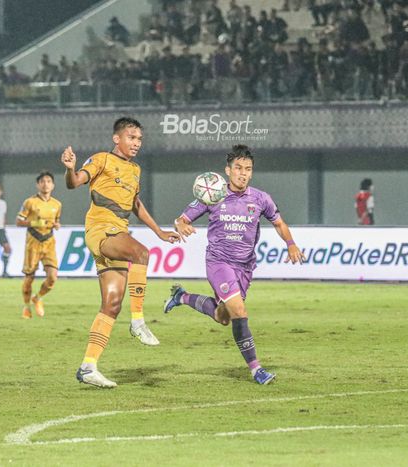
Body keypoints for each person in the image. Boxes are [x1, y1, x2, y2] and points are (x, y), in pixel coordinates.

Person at [164, 144, 306, 385]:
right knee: (239, 311)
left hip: (245, 267)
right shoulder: (213, 195)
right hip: (219, 262)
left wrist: (291, 244)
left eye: (248, 169)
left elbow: (279, 223)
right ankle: (256, 369)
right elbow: (182, 218)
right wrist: (181, 224)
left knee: (223, 316)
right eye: (238, 168)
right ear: (227, 171)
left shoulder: (261, 198)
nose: (243, 173)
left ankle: (182, 297)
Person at [60, 117, 181, 388]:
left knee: (111, 305)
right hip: (101, 230)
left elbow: (136, 204)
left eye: (139, 139)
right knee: (141, 253)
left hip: (118, 234)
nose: (136, 143)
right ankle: (138, 321)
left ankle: (88, 366)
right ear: (117, 139)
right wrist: (69, 169)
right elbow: (75, 182)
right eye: (131, 137)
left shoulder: (135, 170)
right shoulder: (101, 159)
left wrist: (159, 231)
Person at [15, 171, 62, 319]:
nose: (45, 184)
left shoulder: (57, 204)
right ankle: (26, 306)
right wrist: (36, 223)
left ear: (53, 185)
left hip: (49, 243)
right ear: (38, 184)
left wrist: (56, 225)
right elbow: (18, 222)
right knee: (29, 278)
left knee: (53, 277)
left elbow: (56, 221)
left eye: (48, 181)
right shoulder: (30, 202)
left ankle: (38, 297)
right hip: (33, 243)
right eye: (42, 181)